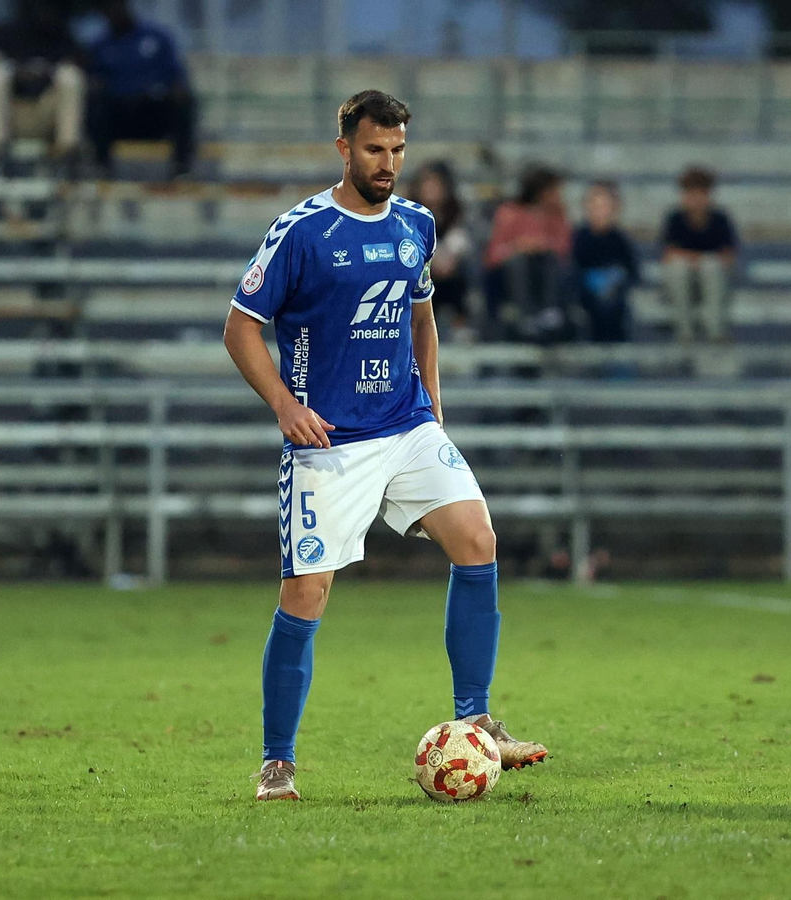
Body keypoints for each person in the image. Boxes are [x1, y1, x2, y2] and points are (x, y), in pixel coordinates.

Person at [222, 90, 548, 802]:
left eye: (398, 151)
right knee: (306, 593)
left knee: (478, 538)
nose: (388, 164)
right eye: (375, 150)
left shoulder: (416, 224)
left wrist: (432, 406)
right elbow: (239, 327)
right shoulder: (301, 232)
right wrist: (284, 407)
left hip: (406, 427)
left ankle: (478, 721)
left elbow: (421, 316)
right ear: (345, 148)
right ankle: (278, 762)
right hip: (329, 442)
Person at [84, 0, 194, 179]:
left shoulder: (157, 37)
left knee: (184, 100)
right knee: (95, 102)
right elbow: (94, 79)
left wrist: (177, 89)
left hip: (153, 112)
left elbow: (176, 77)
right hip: (118, 116)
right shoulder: (100, 45)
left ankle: (182, 166)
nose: (115, 10)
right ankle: (101, 165)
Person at [0, 0, 83, 175]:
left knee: (70, 76)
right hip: (11, 116)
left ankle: (67, 158)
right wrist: (15, 72)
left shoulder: (62, 36)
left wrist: (47, 73)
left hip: (47, 117)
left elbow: (79, 69)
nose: (46, 13)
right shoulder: (3, 33)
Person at [483, 166, 573, 342]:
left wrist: (543, 245)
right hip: (511, 277)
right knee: (519, 262)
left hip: (547, 274)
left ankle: (550, 311)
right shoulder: (509, 213)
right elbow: (493, 256)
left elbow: (565, 250)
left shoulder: (557, 215)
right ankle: (526, 315)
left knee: (550, 259)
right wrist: (518, 247)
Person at [660, 166, 737, 343]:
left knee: (711, 267)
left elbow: (728, 255)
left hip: (712, 278)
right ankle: (684, 332)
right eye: (691, 194)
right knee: (679, 268)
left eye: (700, 194)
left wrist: (702, 262)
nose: (696, 200)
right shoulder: (675, 219)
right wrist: (697, 260)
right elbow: (669, 254)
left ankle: (715, 331)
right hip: (683, 277)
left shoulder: (720, 219)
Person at [405, 162, 475, 337]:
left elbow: (461, 240)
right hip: (419, 268)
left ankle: (460, 325)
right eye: (427, 184)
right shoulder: (407, 214)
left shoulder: (456, 213)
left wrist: (449, 256)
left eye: (436, 184)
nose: (431, 189)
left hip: (450, 271)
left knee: (460, 273)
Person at [572, 180, 640, 343]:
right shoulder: (578, 238)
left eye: (604, 206)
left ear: (614, 209)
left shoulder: (620, 240)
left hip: (615, 300)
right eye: (595, 205)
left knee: (614, 305)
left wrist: (614, 279)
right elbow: (572, 270)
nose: (599, 211)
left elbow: (632, 273)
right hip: (586, 297)